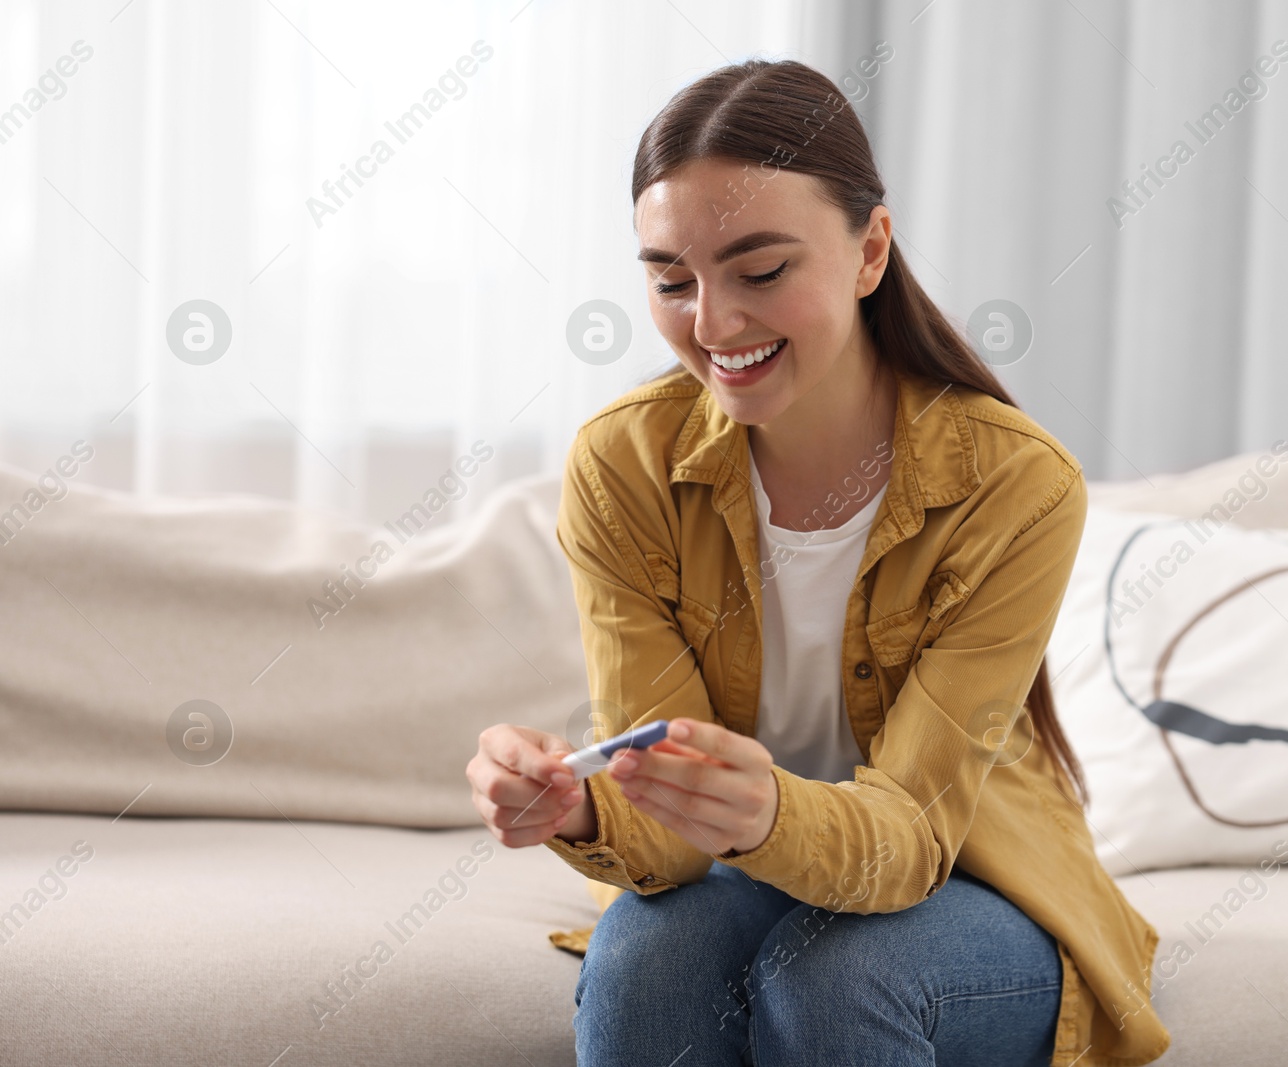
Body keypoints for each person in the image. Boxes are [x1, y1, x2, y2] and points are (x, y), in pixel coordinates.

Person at [465, 58, 1170, 1067]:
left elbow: (913, 838)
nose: (712, 325)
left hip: (970, 882)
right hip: (741, 876)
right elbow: (663, 839)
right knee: (641, 959)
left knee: (834, 976)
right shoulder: (623, 466)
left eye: (760, 271)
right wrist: (582, 804)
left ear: (870, 249)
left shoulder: (1016, 484)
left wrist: (770, 811)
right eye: (671, 280)